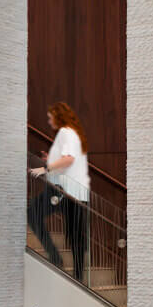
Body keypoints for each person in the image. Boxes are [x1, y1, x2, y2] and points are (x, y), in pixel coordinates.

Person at [29, 102, 91, 280]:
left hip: (64, 190)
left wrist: (46, 168)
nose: (49, 121)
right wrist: (52, 159)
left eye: (50, 117)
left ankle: (55, 257)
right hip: (76, 192)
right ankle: (78, 275)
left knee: (32, 213)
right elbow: (68, 159)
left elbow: (69, 159)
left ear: (59, 116)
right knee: (74, 234)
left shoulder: (65, 132)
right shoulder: (74, 133)